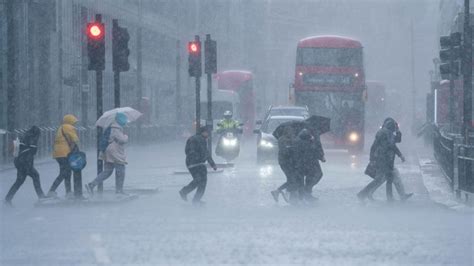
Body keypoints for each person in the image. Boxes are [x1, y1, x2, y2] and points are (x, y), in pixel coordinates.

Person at [357, 117, 413, 202]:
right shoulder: (387, 134)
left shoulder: (385, 133)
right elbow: (392, 145)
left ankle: (389, 198)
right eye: (394, 128)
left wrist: (372, 158)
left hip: (384, 160)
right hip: (384, 160)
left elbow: (395, 141)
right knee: (381, 179)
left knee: (386, 179)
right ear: (391, 128)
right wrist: (400, 155)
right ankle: (363, 194)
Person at [86, 113, 129, 195]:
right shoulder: (116, 128)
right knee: (121, 169)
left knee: (108, 171)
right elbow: (122, 140)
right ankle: (119, 190)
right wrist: (126, 136)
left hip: (108, 150)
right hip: (114, 151)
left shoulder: (112, 127)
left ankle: (92, 184)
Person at [5, 126, 47, 205]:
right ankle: (41, 196)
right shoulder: (32, 138)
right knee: (35, 176)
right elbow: (32, 152)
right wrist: (29, 166)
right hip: (25, 163)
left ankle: (8, 198)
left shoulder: (25, 136)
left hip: (19, 162)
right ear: (36, 134)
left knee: (19, 181)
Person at [179, 126, 217, 205]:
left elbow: (187, 151)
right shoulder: (201, 140)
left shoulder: (192, 138)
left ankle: (186, 192)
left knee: (198, 180)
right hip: (199, 163)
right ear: (203, 132)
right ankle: (194, 198)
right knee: (202, 182)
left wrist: (191, 157)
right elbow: (206, 153)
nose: (208, 134)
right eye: (207, 132)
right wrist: (213, 164)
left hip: (190, 163)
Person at [47, 114, 82, 198]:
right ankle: (52, 190)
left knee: (67, 172)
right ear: (70, 121)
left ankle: (68, 192)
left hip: (58, 153)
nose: (74, 124)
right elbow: (75, 139)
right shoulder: (69, 127)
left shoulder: (61, 127)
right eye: (73, 122)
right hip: (65, 153)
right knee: (64, 173)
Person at [293, 129, 325, 202]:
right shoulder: (311, 141)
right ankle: (306, 192)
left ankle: (304, 194)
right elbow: (316, 150)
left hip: (301, 164)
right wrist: (321, 157)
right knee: (315, 176)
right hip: (310, 164)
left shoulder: (298, 141)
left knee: (305, 179)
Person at [271, 126, 297, 204]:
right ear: (286, 131)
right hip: (285, 162)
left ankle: (280, 192)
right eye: (290, 131)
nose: (292, 132)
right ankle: (282, 191)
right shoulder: (282, 139)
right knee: (291, 179)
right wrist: (292, 146)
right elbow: (285, 151)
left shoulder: (290, 139)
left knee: (291, 179)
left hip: (289, 162)